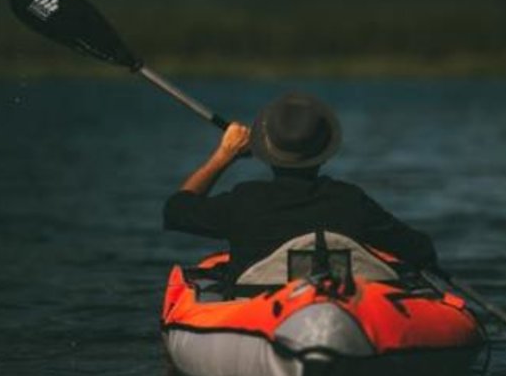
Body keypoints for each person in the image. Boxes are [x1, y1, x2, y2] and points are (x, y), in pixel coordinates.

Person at [163, 92, 439, 283]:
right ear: (325, 153)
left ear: (265, 153)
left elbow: (176, 210)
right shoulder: (349, 201)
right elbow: (420, 250)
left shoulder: (245, 200)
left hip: (258, 313)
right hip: (340, 314)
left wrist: (224, 155)